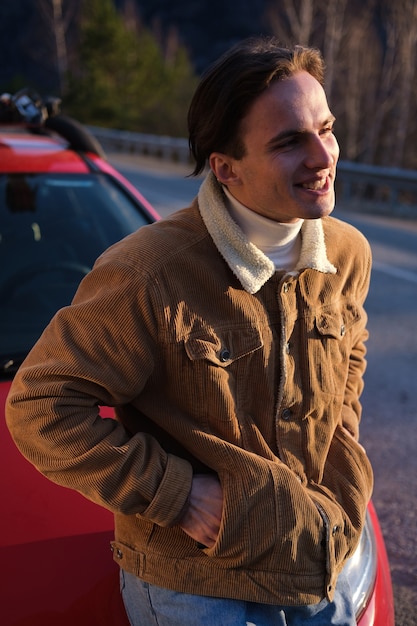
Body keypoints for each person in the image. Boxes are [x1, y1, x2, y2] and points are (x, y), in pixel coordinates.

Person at [6, 36, 373, 625]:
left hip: (319, 553)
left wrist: (339, 450)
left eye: (325, 129)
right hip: (197, 584)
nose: (323, 155)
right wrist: (178, 495)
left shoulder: (348, 252)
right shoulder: (149, 272)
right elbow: (41, 407)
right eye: (288, 142)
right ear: (226, 169)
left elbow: (350, 351)